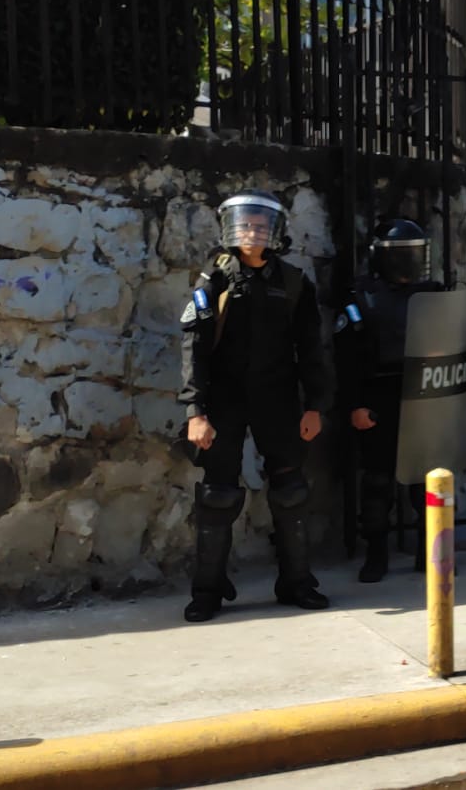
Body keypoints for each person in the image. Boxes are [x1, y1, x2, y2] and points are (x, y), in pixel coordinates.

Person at [178, 192, 335, 623]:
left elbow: (310, 349)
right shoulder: (213, 282)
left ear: (274, 232)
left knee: (290, 492)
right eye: (245, 225)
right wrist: (196, 412)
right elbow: (194, 350)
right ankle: (208, 591)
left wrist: (314, 406)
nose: (252, 232)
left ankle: (297, 582)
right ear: (231, 229)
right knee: (217, 495)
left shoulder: (293, 282)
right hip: (224, 400)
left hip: (279, 398)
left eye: (261, 225)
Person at [335, 218, 444, 583]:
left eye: (415, 254)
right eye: (402, 255)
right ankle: (376, 554)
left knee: (425, 481)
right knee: (378, 483)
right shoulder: (361, 297)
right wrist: (355, 405)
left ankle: (430, 552)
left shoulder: (434, 293)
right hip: (378, 396)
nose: (410, 262)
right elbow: (346, 359)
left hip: (424, 395)